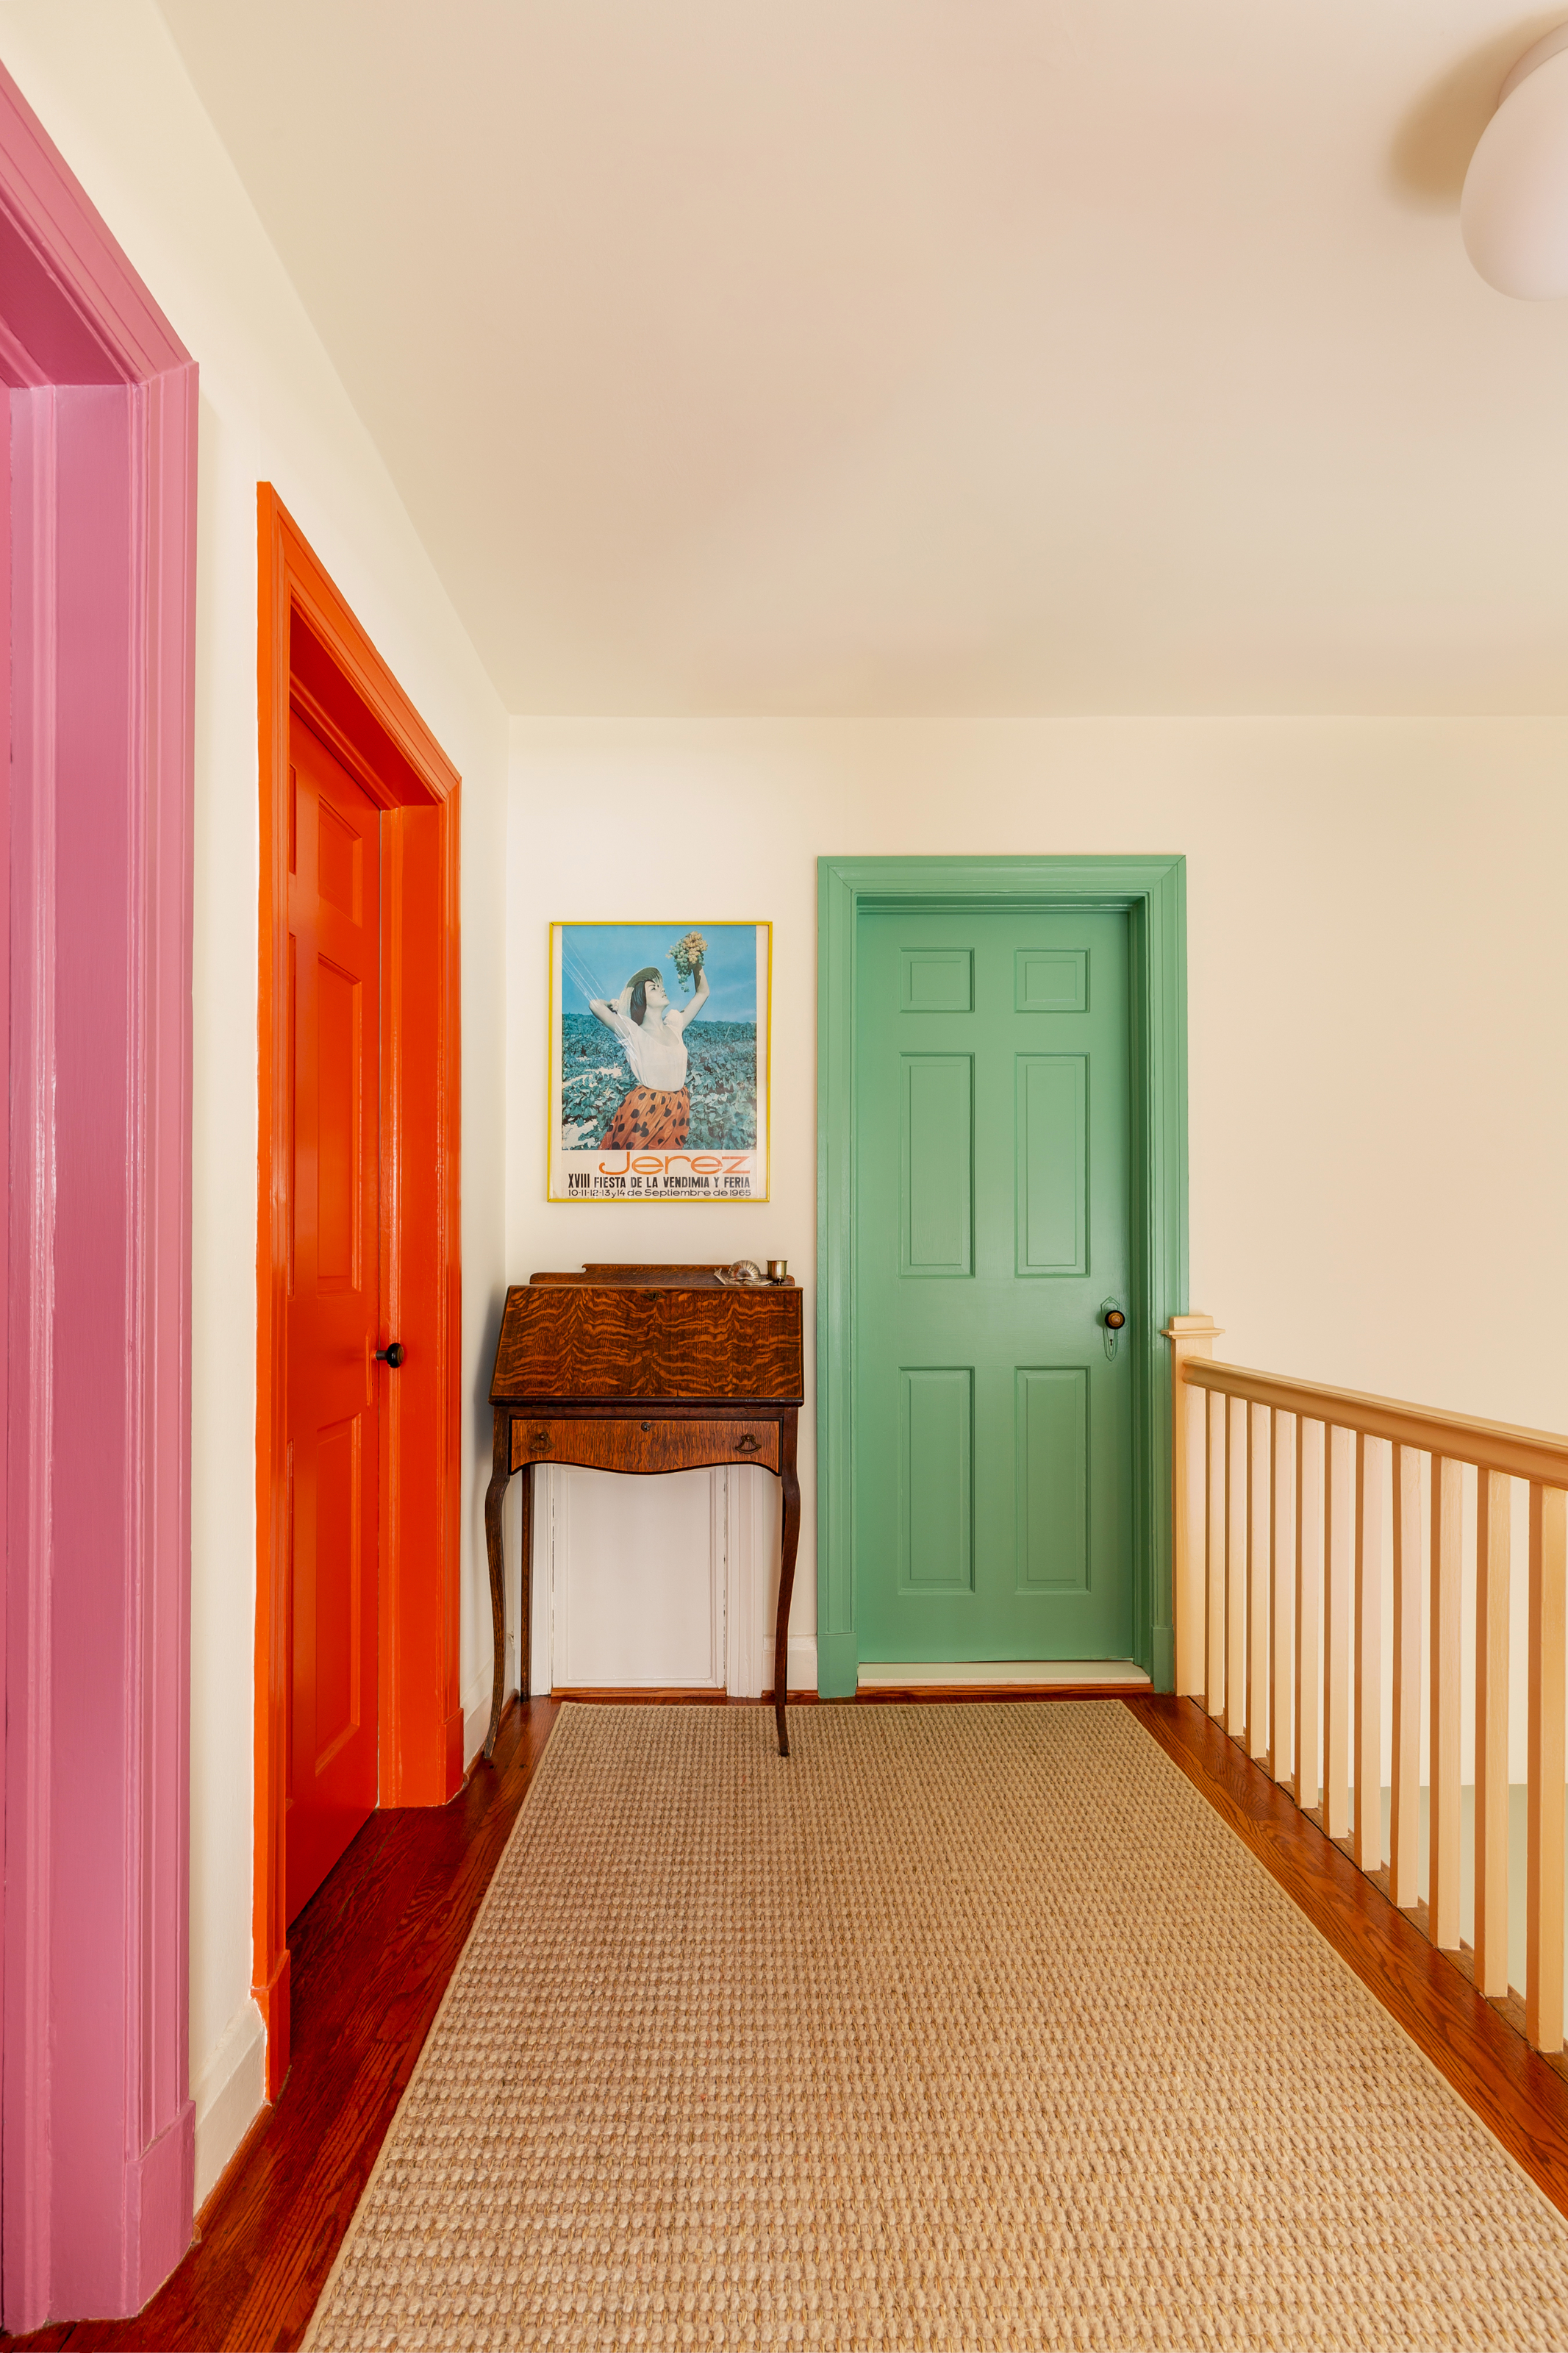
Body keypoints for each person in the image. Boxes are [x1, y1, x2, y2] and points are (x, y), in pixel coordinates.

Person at [588, 954, 710, 1148]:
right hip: (646, 1109)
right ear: (641, 999)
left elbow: (702, 993)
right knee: (636, 1167)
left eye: (660, 986)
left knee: (665, 1169)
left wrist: (696, 965)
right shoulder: (633, 1032)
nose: (662, 989)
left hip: (678, 1108)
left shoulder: (675, 1026)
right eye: (654, 988)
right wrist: (611, 1005)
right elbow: (595, 1006)